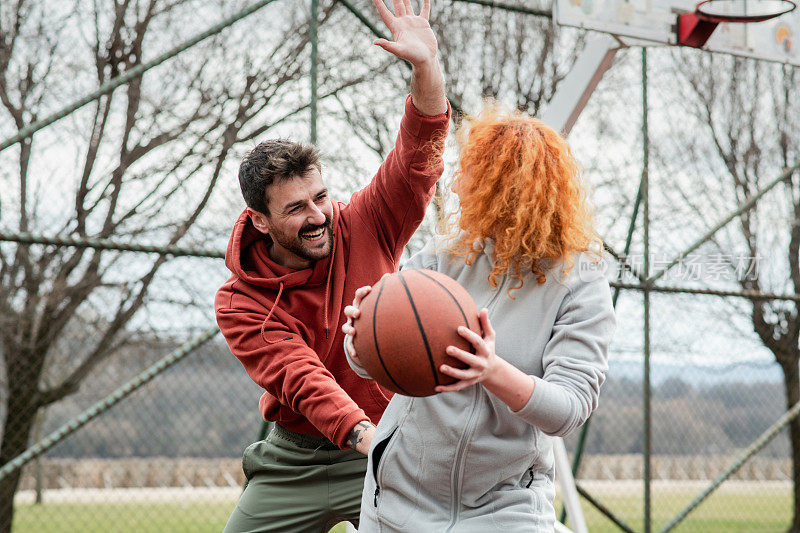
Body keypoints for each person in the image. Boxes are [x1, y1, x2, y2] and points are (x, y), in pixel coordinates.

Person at [214, 0, 449, 530]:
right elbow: (301, 377)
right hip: (295, 459)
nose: (318, 215)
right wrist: (364, 436)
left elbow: (419, 156)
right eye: (296, 208)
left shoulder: (365, 223)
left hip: (391, 442)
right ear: (260, 221)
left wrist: (426, 70)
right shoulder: (238, 301)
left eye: (321, 196)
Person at [342, 105, 616, 531]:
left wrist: (490, 370)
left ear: (505, 188)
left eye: (471, 173)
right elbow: (366, 360)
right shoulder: (444, 255)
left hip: (506, 508)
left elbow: (569, 409)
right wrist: (361, 330)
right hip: (398, 500)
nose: (458, 185)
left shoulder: (578, 280)